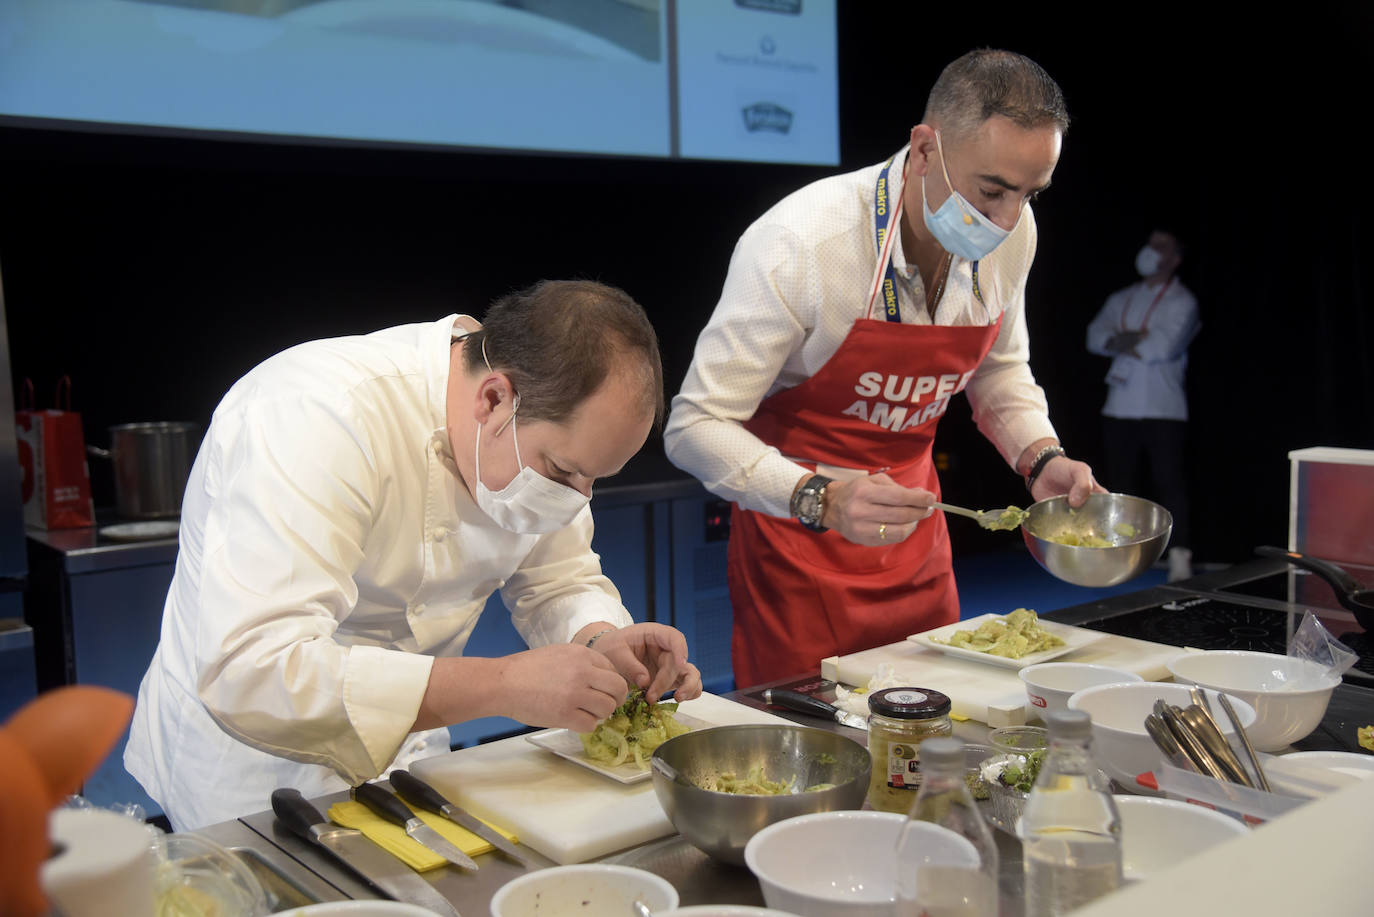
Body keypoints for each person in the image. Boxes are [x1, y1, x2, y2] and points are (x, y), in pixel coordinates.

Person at [125, 280, 702, 830]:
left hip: (413, 753)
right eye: (564, 471)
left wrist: (601, 642)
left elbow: (557, 580)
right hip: (252, 768)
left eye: (594, 479)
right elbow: (254, 670)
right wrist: (503, 684)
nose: (578, 499)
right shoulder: (316, 415)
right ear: (494, 398)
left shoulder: (534, 424)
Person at [663, 49, 1102, 687]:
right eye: (991, 192)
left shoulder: (1015, 234)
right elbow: (693, 425)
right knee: (818, 767)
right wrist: (822, 498)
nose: (1008, 221)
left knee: (937, 745)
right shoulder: (801, 243)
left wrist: (1040, 458)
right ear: (925, 150)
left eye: (1030, 194)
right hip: (798, 551)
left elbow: (1000, 370)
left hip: (918, 546)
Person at [1086, 230, 1200, 581]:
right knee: (1119, 482)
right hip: (1118, 405)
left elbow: (1161, 349)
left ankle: (1180, 555)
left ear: (1175, 258)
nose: (1150, 252)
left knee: (1168, 481)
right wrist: (1135, 338)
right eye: (1149, 244)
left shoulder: (1182, 300)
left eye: (1160, 247)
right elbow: (1094, 338)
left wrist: (1122, 341)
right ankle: (1121, 553)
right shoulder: (1122, 297)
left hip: (1162, 406)